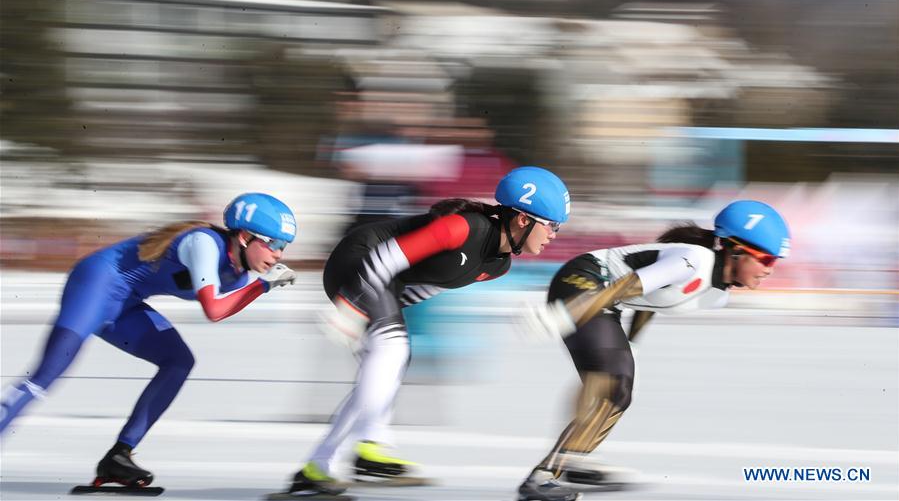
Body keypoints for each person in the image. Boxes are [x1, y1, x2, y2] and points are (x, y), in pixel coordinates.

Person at [282, 166, 571, 497]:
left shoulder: (497, 265)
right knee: (393, 350)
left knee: (388, 365)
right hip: (357, 261)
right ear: (523, 219)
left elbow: (429, 285)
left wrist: (382, 315)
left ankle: (326, 463)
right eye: (552, 226)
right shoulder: (463, 227)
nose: (554, 235)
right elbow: (385, 257)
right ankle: (363, 449)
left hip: (385, 282)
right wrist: (354, 307)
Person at [0, 193, 298, 489]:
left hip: (127, 303)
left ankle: (119, 456)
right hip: (94, 285)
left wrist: (260, 285)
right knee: (46, 374)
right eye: (274, 244)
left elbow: (224, 306)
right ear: (245, 236)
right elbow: (214, 309)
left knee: (179, 362)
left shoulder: (239, 275)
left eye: (284, 247)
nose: (279, 255)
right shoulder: (204, 244)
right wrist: (264, 285)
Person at [518, 200, 790, 501]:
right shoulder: (694, 260)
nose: (769, 270)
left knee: (613, 385)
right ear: (735, 248)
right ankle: (542, 479)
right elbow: (629, 286)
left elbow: (649, 302)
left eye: (775, 262)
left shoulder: (716, 296)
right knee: (615, 388)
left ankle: (570, 461)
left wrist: (631, 344)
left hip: (607, 302)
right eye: (766, 259)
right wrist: (566, 314)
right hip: (584, 283)